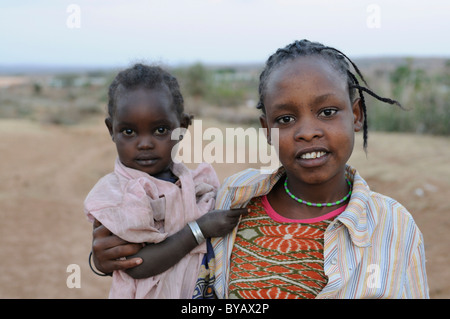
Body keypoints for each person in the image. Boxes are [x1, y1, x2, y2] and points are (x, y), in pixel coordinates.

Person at [91, 40, 429, 299]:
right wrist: (106, 259)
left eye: (327, 112)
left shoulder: (392, 227)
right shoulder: (233, 198)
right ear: (267, 129)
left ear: (356, 114)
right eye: (285, 119)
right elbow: (165, 244)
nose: (307, 131)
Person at [84, 63, 247, 298]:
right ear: (111, 130)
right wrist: (198, 231)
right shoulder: (119, 193)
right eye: (129, 132)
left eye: (160, 130)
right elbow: (136, 264)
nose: (145, 143)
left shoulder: (196, 183)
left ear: (182, 127)